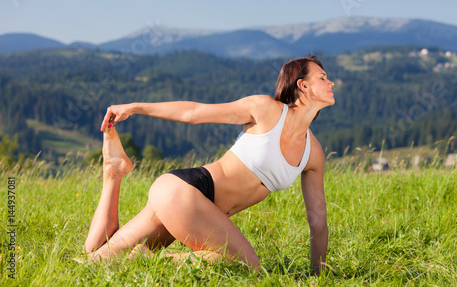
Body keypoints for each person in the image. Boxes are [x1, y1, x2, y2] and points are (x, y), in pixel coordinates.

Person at [83, 55, 335, 274]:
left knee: (96, 259)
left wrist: (318, 276)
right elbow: (194, 113)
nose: (330, 82)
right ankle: (147, 261)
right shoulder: (266, 110)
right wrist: (135, 108)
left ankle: (112, 173)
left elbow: (318, 222)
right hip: (186, 191)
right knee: (248, 265)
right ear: (302, 85)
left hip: (194, 210)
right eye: (322, 78)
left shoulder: (312, 153)